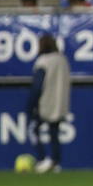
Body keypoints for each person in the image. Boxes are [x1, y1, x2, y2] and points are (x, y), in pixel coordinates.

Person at [25, 34, 71, 174]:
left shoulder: (43, 61)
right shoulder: (63, 60)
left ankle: (42, 159)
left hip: (45, 102)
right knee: (54, 133)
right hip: (60, 102)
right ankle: (56, 162)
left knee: (33, 129)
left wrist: (31, 103)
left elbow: (38, 85)